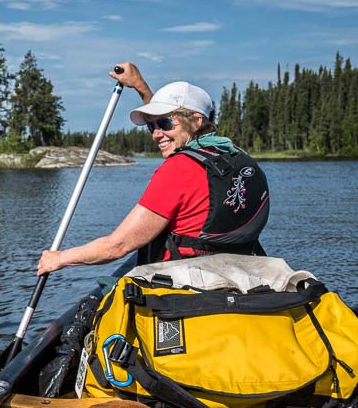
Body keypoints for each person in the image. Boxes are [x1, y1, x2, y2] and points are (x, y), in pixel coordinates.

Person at [37, 62, 269, 276]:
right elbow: (172, 135)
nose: (157, 133)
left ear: (197, 121)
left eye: (165, 123)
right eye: (151, 126)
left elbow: (117, 247)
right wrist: (140, 85)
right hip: (233, 273)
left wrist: (58, 258)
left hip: (183, 282)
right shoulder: (237, 157)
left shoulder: (179, 169)